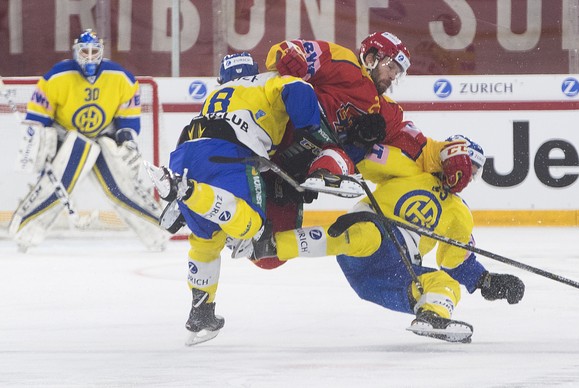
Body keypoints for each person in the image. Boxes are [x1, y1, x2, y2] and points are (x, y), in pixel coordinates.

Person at [148, 52, 364, 346]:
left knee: (205, 239)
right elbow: (298, 89)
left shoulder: (216, 94)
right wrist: (313, 131)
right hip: (230, 155)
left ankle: (201, 310)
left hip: (184, 155)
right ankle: (188, 191)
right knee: (252, 226)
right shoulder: (267, 80)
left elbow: (193, 135)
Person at [252, 135, 525, 343]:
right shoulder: (411, 170)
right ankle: (272, 245)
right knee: (364, 234)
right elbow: (363, 162)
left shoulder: (460, 214)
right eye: (471, 167)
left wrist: (487, 281)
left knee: (445, 283)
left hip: (395, 275)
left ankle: (432, 317)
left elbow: (454, 261)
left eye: (474, 172)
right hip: (368, 243)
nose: (469, 175)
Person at [9, 29, 168, 252]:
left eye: (95, 51)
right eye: (85, 51)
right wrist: (43, 145)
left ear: (102, 52)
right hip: (68, 139)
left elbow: (128, 120)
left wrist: (127, 142)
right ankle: (25, 232)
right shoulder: (57, 76)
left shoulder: (120, 77)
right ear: (76, 52)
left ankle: (158, 233)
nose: (90, 56)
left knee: (120, 187)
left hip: (104, 137)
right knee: (57, 184)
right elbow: (38, 119)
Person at [266, 32, 474, 194]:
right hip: (273, 135)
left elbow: (419, 147)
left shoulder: (388, 111)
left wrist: (449, 154)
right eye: (390, 66)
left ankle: (324, 173)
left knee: (273, 239)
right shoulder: (343, 61)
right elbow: (289, 49)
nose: (393, 76)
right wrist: (288, 56)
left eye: (397, 72)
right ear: (371, 57)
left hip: (293, 169)